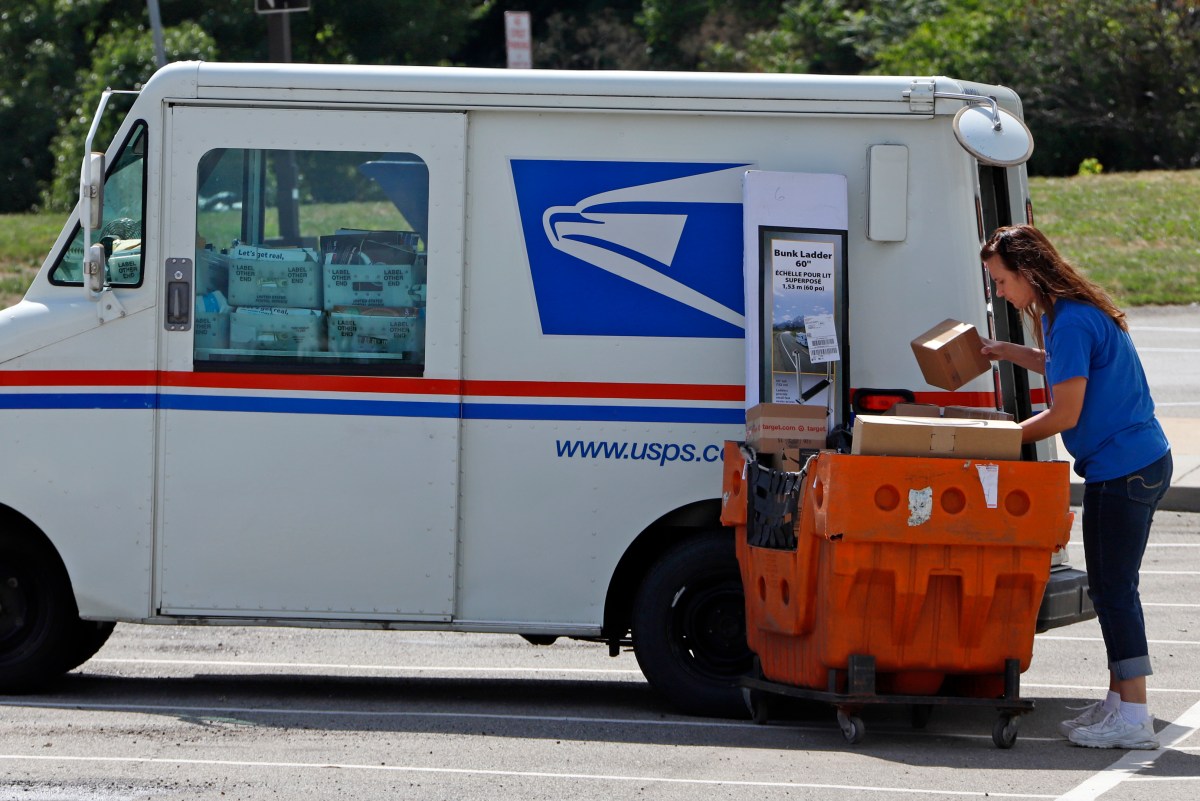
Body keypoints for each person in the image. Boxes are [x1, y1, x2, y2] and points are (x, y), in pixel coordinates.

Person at [978, 224, 1171, 750]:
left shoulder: (1069, 321)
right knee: (1115, 586)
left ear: (1026, 272)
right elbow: (1062, 369)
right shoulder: (1072, 313)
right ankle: (1119, 702)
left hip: (1122, 470)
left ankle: (1133, 714)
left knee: (1113, 589)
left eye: (1000, 280)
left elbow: (1065, 412)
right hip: (1139, 462)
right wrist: (1005, 351)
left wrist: (1003, 438)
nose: (999, 290)